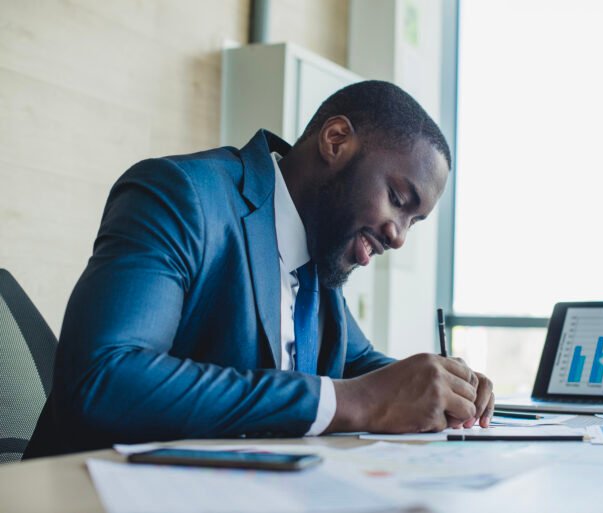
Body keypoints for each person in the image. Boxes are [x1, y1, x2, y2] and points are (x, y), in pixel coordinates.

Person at [24, 81, 494, 458]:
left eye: (414, 222)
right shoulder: (182, 195)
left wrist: (444, 387)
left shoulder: (322, 254)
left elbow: (362, 367)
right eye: (398, 200)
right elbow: (106, 377)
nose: (398, 236)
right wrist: (351, 402)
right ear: (336, 141)